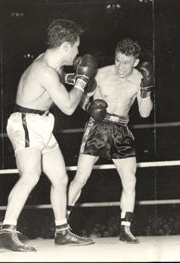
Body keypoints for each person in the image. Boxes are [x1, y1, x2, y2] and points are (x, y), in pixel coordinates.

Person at [0, 19, 98, 252]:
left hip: (41, 122)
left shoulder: (51, 64)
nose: (78, 52)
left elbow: (58, 87)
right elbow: (69, 107)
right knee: (31, 175)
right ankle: (6, 231)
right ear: (65, 47)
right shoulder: (44, 71)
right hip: (26, 123)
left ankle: (62, 231)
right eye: (76, 47)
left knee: (60, 179)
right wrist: (81, 81)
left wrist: (75, 83)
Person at [67, 37, 154, 243]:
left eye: (126, 62)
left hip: (121, 129)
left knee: (130, 179)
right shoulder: (101, 74)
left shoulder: (140, 79)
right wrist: (89, 108)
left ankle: (125, 229)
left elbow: (144, 113)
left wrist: (146, 89)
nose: (120, 67)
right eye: (117, 60)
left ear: (135, 62)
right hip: (97, 126)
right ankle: (63, 224)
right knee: (80, 177)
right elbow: (82, 99)